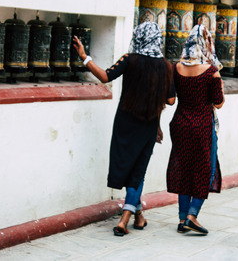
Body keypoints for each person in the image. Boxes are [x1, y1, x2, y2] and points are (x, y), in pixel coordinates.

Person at [73, 21, 175, 237]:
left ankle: (126, 217)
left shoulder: (130, 60)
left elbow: (105, 76)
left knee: (128, 165)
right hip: (148, 124)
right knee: (138, 169)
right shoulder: (166, 66)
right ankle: (136, 215)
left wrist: (85, 57)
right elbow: (171, 99)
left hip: (125, 123)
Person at [166, 24, 225, 235]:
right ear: (205, 44)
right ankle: (192, 215)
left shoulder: (176, 67)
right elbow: (218, 103)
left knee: (184, 169)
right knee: (204, 170)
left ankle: (182, 219)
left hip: (180, 122)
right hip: (201, 125)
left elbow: (171, 98)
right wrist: (218, 79)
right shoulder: (211, 72)